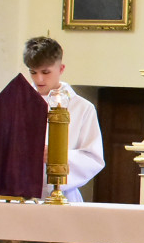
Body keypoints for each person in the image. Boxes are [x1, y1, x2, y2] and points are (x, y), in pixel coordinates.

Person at [23, 37, 105, 202]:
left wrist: (58, 156)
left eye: (45, 72)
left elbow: (93, 158)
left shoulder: (82, 107)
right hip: (20, 193)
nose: (39, 79)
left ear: (61, 69)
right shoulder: (18, 102)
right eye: (33, 72)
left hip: (62, 196)